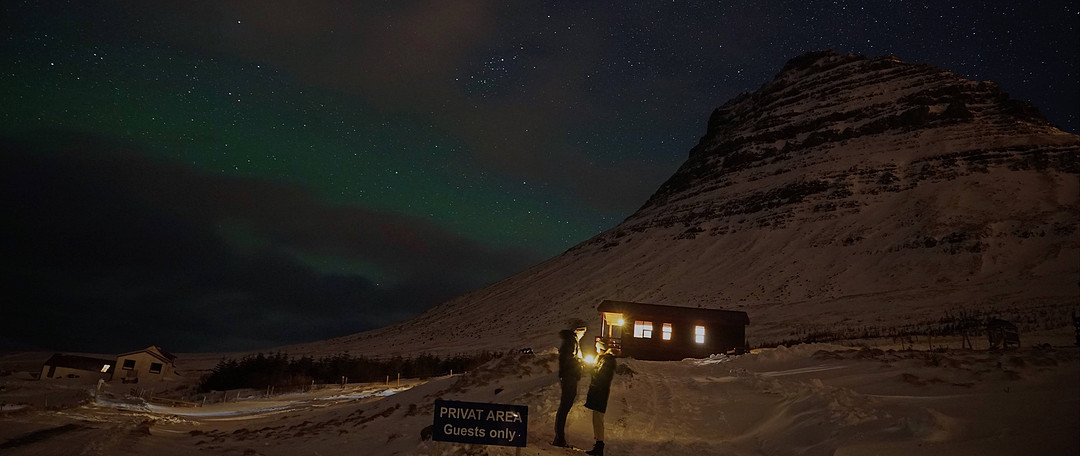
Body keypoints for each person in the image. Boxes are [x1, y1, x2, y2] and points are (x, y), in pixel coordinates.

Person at [552, 326, 586, 447]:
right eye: (583, 332)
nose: (584, 335)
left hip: (569, 376)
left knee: (565, 406)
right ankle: (559, 438)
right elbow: (567, 358)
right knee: (565, 405)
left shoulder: (571, 341)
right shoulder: (571, 341)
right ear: (578, 331)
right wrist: (579, 362)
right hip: (569, 377)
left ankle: (560, 437)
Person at [584, 339, 616, 456]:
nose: (596, 350)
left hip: (600, 393)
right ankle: (598, 444)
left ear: (601, 348)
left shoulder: (607, 361)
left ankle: (599, 446)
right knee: (596, 419)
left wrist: (592, 369)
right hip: (598, 392)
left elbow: (601, 377)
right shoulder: (605, 360)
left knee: (598, 419)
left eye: (597, 348)